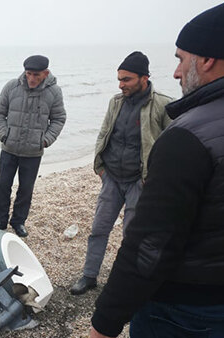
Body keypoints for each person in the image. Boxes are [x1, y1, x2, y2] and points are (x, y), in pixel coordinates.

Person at [89, 3, 224, 338]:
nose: (179, 71)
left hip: (182, 313)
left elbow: (151, 245)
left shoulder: (188, 135)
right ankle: (86, 274)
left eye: (182, 59)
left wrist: (107, 320)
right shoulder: (122, 105)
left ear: (209, 58)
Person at [70, 52, 173, 295]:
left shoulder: (163, 105)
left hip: (140, 181)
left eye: (126, 79)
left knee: (132, 235)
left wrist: (155, 178)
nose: (121, 84)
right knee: (98, 229)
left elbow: (174, 145)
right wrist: (100, 167)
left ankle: (128, 281)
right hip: (112, 178)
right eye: (119, 79)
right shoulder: (115, 102)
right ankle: (89, 276)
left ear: (144, 78)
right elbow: (104, 132)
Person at [0, 55, 66, 237]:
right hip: (9, 148)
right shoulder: (11, 86)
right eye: (28, 73)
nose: (31, 78)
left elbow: (58, 119)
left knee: (26, 189)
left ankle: (18, 222)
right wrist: (3, 135)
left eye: (36, 75)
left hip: (33, 152)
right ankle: (0, 221)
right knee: (2, 186)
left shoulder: (54, 92)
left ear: (46, 73)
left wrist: (46, 140)